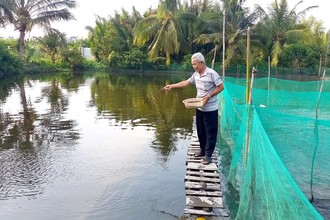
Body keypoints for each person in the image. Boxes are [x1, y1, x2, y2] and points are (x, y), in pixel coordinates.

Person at [162, 52, 224, 165]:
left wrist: (209, 96)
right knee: (200, 130)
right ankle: (202, 150)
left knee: (210, 132)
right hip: (199, 106)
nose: (194, 66)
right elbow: (186, 82)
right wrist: (172, 86)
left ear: (202, 63)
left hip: (210, 108)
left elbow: (221, 87)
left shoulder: (211, 73)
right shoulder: (196, 74)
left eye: (195, 64)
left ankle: (208, 155)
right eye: (192, 64)